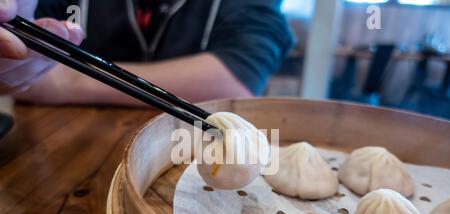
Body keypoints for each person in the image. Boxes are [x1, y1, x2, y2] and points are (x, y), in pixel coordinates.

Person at [0, 0, 293, 106]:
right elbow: (22, 47)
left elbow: (236, 79)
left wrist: (67, 82)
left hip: (190, 157)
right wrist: (10, 63)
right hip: (52, 162)